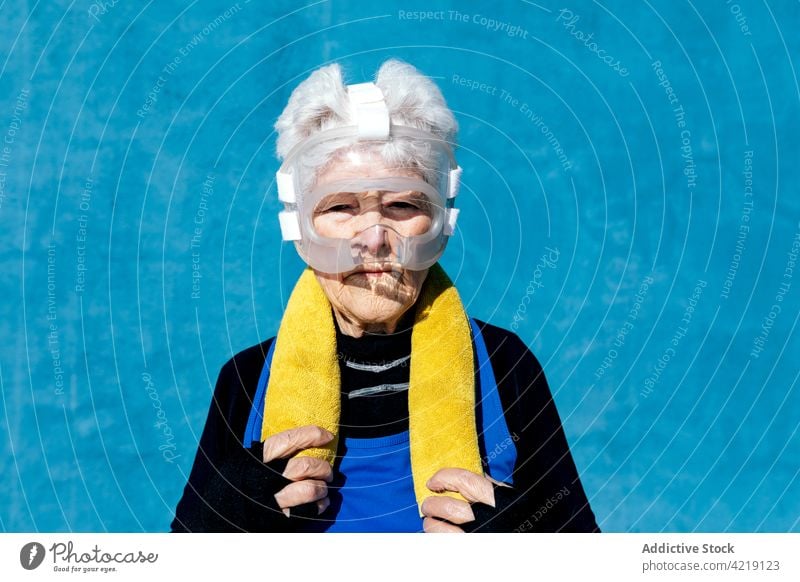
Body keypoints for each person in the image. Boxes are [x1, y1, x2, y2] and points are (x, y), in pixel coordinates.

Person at [170, 58, 599, 533]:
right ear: (299, 226)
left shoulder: (502, 366)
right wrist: (217, 530)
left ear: (440, 222)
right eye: (341, 207)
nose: (373, 240)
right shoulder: (249, 382)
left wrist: (531, 546)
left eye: (401, 205)